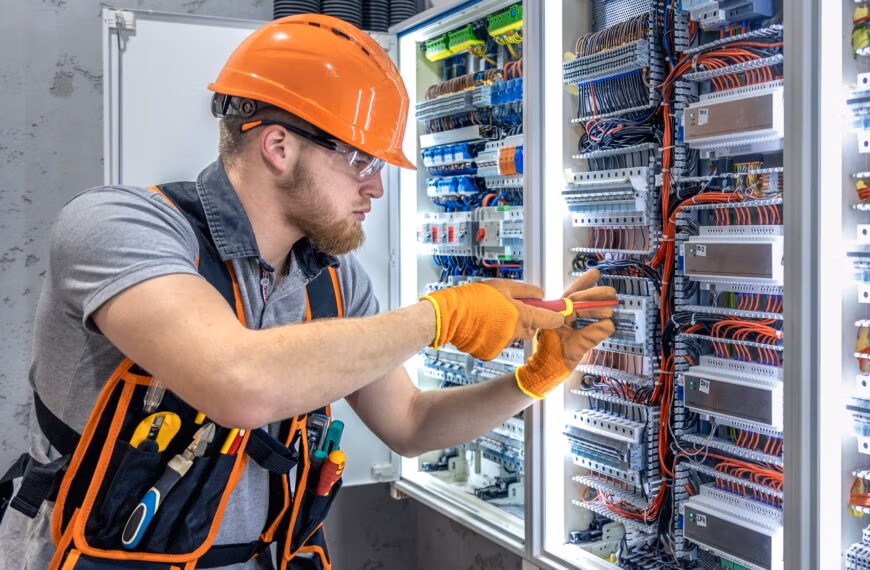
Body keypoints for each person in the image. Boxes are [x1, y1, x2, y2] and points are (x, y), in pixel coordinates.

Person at [0, 13, 616, 570]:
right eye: (362, 162)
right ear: (278, 146)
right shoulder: (118, 228)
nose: (375, 189)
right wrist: (439, 317)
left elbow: (409, 421)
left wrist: (532, 380)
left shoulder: (335, 282)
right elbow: (237, 382)